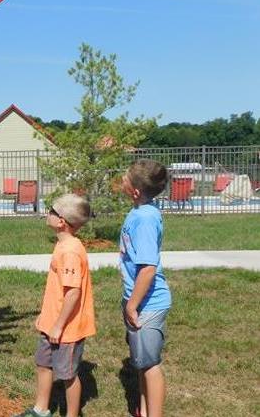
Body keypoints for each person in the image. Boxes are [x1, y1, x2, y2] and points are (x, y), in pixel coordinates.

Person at [15, 194, 96, 417]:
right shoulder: (63, 245)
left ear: (61, 221)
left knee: (67, 375)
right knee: (43, 364)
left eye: (51, 210)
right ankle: (41, 409)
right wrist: (46, 319)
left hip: (66, 329)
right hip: (51, 323)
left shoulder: (70, 251)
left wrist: (59, 325)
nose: (46, 213)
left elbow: (72, 293)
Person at [119, 159, 171, 417]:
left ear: (136, 191)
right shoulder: (141, 210)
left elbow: (148, 268)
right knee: (140, 362)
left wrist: (132, 304)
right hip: (138, 302)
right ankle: (143, 408)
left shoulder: (146, 219)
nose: (121, 181)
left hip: (147, 305)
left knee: (150, 365)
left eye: (125, 179)